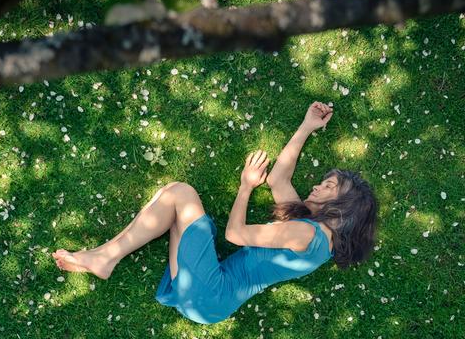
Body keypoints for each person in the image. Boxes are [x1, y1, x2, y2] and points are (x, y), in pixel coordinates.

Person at [53, 101, 378, 324]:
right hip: (207, 301)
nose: (318, 188)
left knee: (182, 194)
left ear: (343, 208)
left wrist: (246, 186)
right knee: (171, 197)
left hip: (210, 291)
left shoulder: (305, 233)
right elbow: (280, 178)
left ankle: (105, 258)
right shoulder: (317, 239)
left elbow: (234, 235)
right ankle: (104, 257)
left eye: (329, 187)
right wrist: (307, 126)